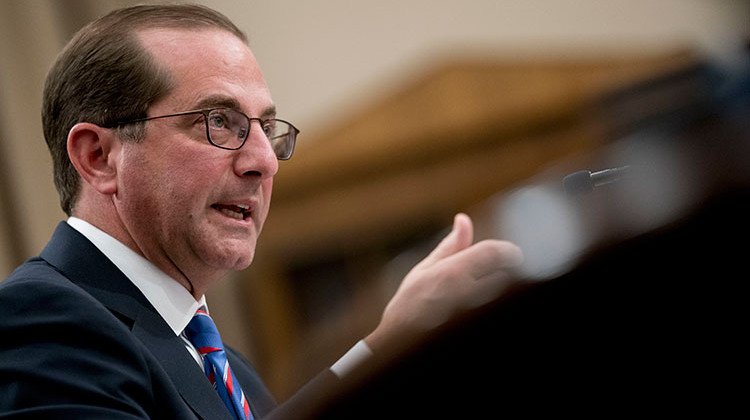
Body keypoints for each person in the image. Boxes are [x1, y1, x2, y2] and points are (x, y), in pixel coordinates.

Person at [0, 4, 522, 419]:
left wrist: (389, 344)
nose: (264, 161)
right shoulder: (43, 322)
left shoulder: (233, 375)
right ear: (99, 157)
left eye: (265, 128)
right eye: (219, 121)